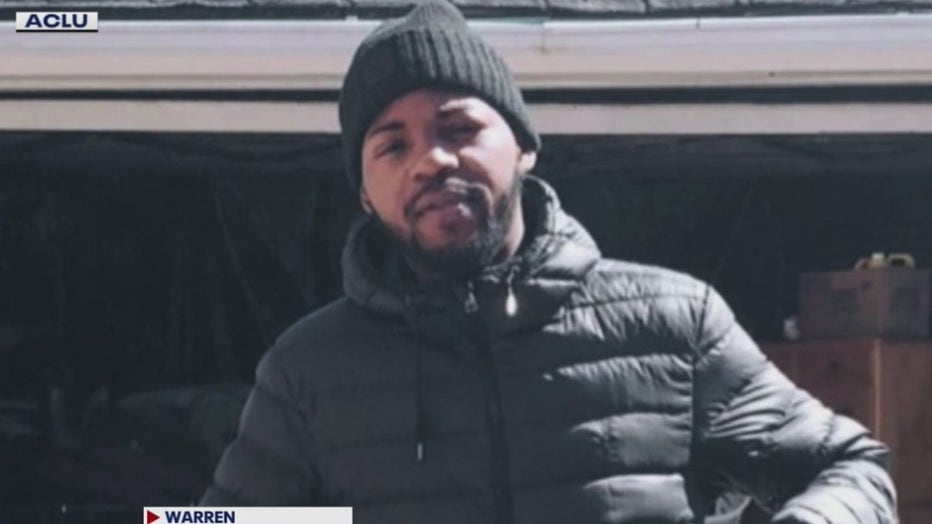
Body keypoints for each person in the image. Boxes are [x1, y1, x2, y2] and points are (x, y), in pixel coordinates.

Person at [201, 2, 897, 523]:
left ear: (524, 146)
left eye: (459, 127)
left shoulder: (671, 325)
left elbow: (849, 467)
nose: (432, 160)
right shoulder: (308, 371)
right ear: (363, 191)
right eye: (392, 145)